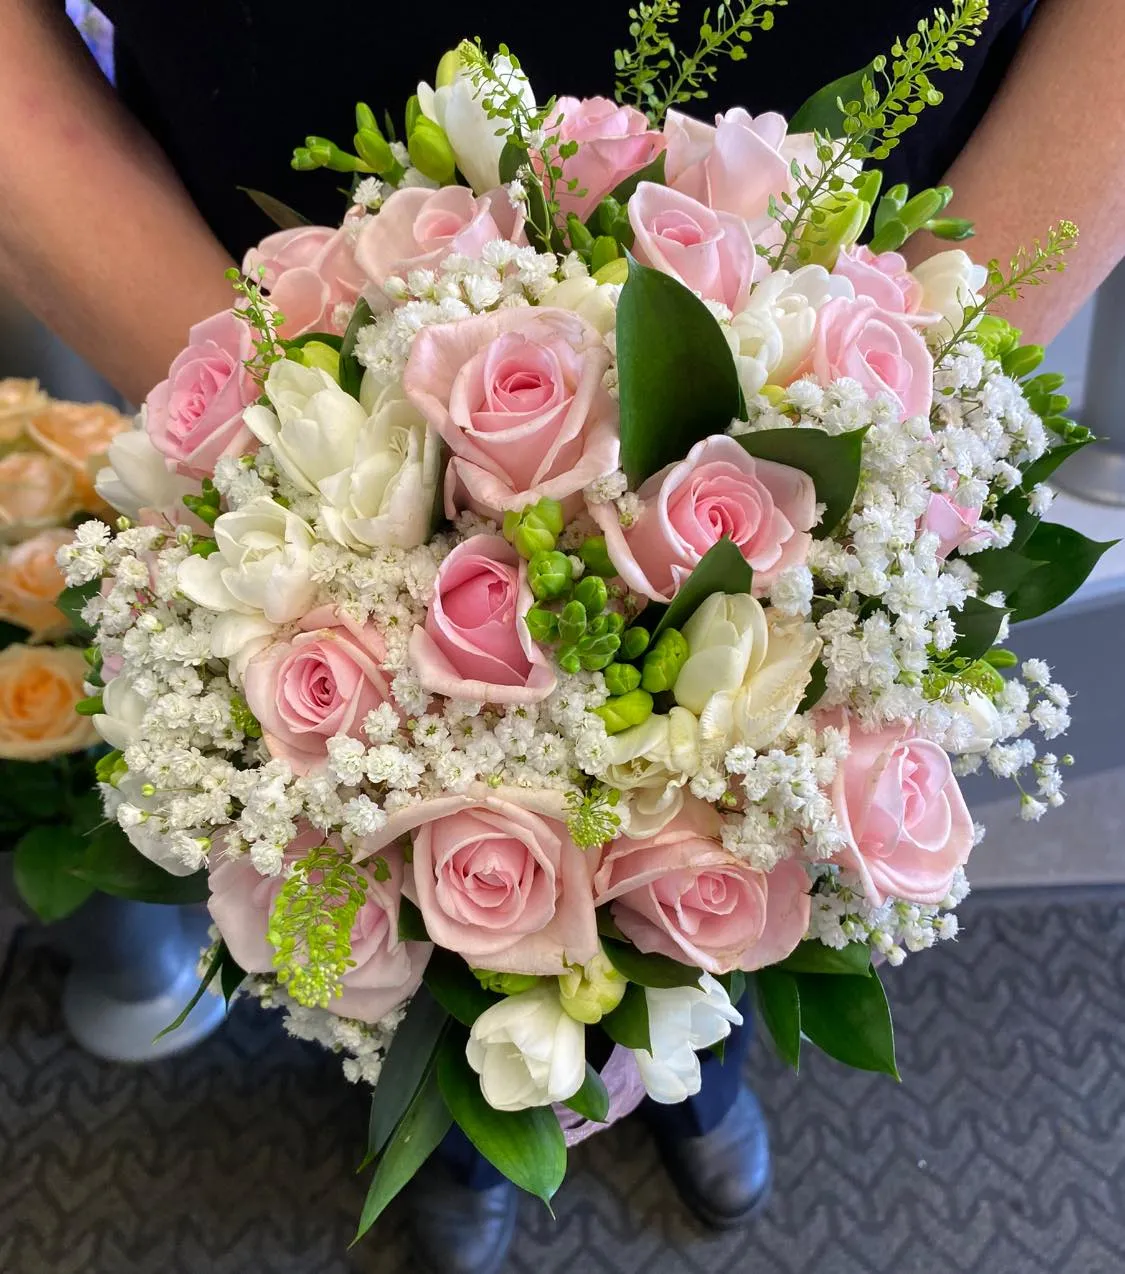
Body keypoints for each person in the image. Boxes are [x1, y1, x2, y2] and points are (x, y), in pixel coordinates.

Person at [2, 3, 1124, 1272]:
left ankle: (697, 1066)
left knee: (729, 848)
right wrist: (295, 418)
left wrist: (905, 411)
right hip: (265, 274)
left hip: (831, 300)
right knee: (386, 871)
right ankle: (470, 1134)